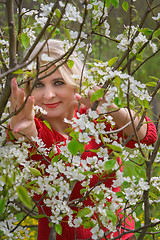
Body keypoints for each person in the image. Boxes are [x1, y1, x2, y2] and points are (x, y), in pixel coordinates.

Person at [9, 39, 157, 240]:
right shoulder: (35, 129)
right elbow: (40, 157)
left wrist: (109, 107)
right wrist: (24, 132)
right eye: (38, 84)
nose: (49, 94)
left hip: (121, 233)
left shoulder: (94, 117)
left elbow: (147, 136)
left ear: (75, 82)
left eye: (58, 82)